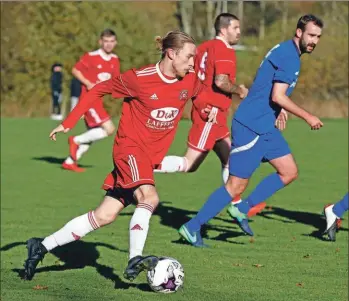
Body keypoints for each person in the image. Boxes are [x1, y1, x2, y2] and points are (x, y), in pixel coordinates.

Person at [23, 31, 208, 282]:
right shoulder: (139, 79)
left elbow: (200, 97)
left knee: (104, 215)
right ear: (171, 53)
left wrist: (206, 110)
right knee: (149, 197)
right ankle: (135, 257)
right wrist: (69, 122)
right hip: (129, 150)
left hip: (147, 158)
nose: (192, 63)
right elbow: (98, 89)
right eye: (188, 57)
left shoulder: (190, 80)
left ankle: (41, 246)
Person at [178, 14, 324, 246]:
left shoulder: (285, 51)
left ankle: (243, 208)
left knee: (289, 171)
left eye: (317, 37)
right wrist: (308, 116)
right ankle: (192, 226)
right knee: (235, 185)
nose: (314, 41)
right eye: (311, 35)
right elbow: (277, 94)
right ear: (299, 32)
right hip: (252, 125)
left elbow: (267, 85)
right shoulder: (289, 57)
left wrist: (279, 107)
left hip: (265, 125)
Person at [154, 13, 247, 184]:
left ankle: (235, 204)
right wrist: (239, 90)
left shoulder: (204, 47)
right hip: (210, 113)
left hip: (210, 110)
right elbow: (220, 81)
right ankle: (141, 166)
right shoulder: (224, 50)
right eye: (235, 28)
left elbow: (190, 75)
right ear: (224, 29)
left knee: (231, 160)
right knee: (190, 164)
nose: (239, 32)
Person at [62, 29, 120, 172]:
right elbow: (75, 70)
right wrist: (88, 83)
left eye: (111, 41)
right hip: (88, 99)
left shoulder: (114, 60)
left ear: (115, 43)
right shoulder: (91, 56)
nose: (108, 44)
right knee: (109, 129)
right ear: (100, 42)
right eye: (106, 41)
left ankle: (70, 162)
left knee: (93, 134)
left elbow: (115, 80)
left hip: (98, 100)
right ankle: (75, 140)